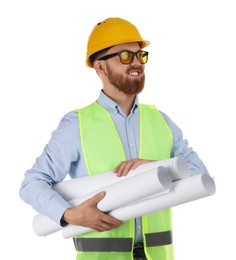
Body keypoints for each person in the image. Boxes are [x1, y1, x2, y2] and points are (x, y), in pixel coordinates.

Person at [19, 17, 208, 260]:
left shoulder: (161, 121)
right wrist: (68, 214)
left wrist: (156, 168)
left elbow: (199, 172)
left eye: (140, 55)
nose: (137, 62)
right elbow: (32, 182)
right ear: (100, 67)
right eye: (125, 56)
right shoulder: (76, 125)